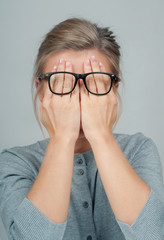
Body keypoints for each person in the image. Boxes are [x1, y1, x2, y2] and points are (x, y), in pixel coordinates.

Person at [0, 18, 164, 240]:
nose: (78, 98)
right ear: (40, 91)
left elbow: (153, 234)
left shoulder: (138, 149)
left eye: (95, 83)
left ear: (114, 90)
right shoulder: (15, 162)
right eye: (61, 84)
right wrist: (62, 139)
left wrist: (101, 135)